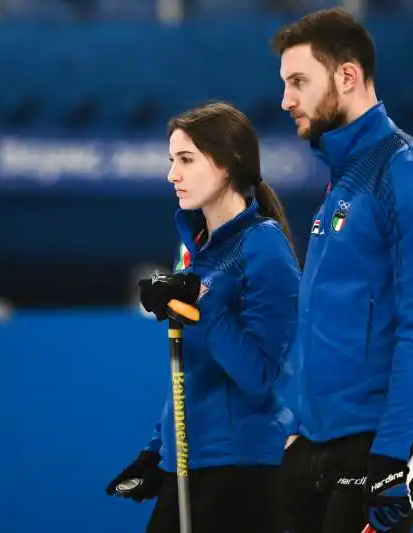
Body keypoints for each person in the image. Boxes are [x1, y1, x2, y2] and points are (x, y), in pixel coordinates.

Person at [271, 8, 413, 533]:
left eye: (298, 82)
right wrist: (296, 425)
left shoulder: (412, 177)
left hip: (378, 449)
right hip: (316, 447)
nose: (286, 100)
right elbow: (321, 322)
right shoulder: (344, 182)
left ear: (348, 75)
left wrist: (392, 453)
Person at [105, 101, 301, 533]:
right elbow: (190, 371)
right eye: (172, 160)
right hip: (188, 466)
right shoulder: (194, 251)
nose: (172, 174)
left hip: (243, 472)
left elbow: (260, 375)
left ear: (228, 164)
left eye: (186, 160)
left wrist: (203, 302)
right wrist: (155, 454)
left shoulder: (263, 247)